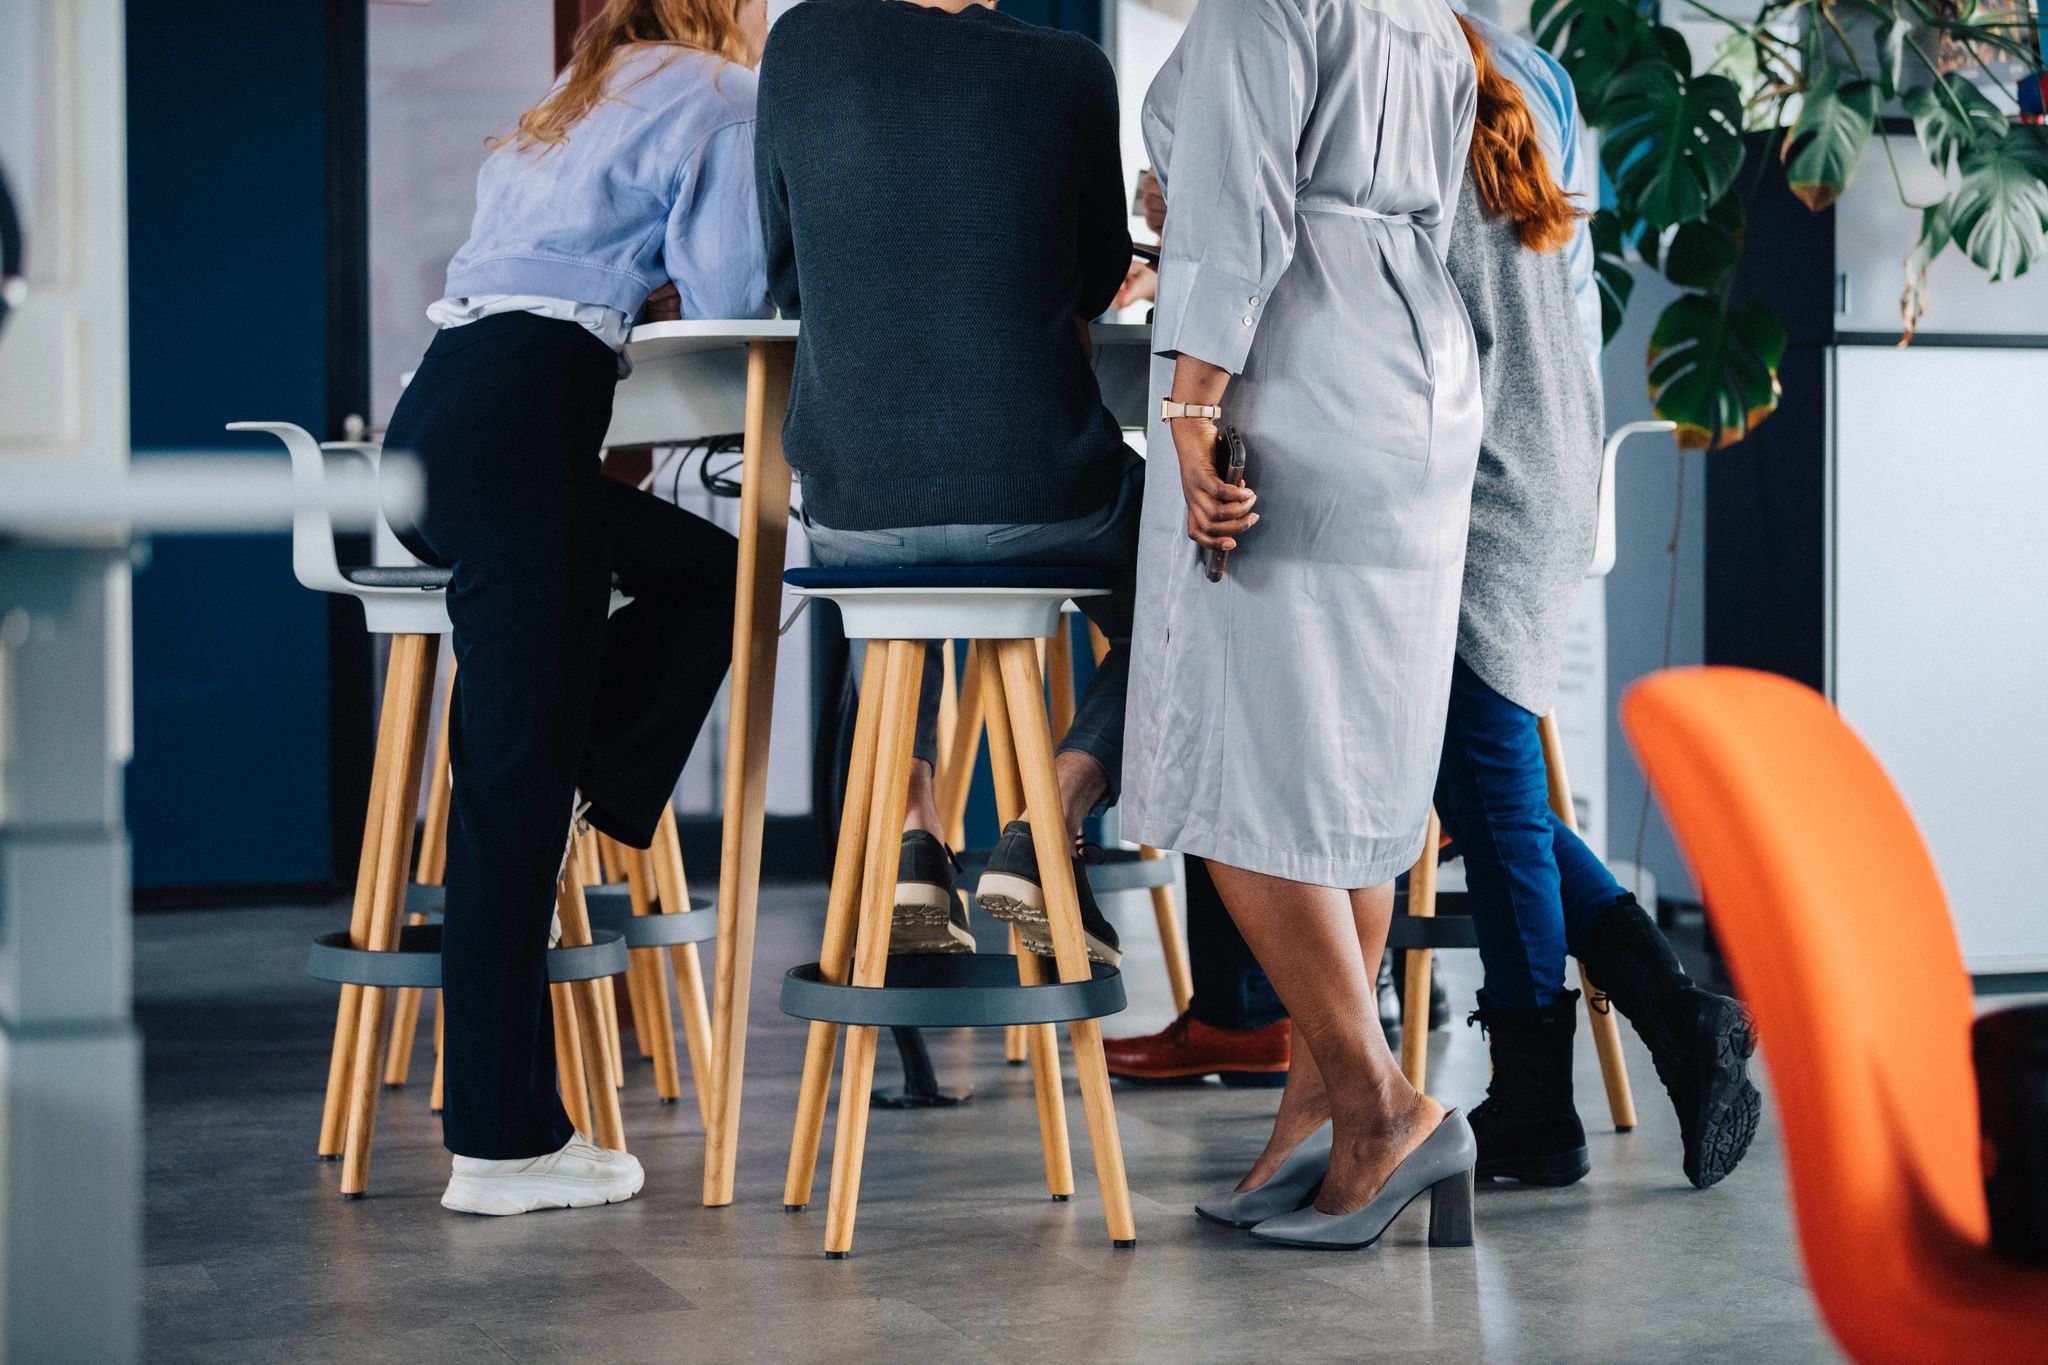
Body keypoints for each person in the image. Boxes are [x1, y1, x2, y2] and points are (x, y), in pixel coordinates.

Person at [383, 0, 772, 1216]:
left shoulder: (566, 99)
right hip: (522, 429)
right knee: (505, 794)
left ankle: (590, 784)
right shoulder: (720, 95)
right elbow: (730, 290)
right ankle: (502, 1149)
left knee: (711, 578)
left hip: (442, 419)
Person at [1123, 0, 1483, 1249]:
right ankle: (1313, 1122)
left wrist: (1187, 407)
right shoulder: (1428, 17)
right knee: (1352, 760)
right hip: (1416, 375)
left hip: (1296, 366)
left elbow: (1234, 213)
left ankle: (1381, 1109)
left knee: (1238, 760)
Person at [1439, 12, 1760, 1191]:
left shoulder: (1390, 83)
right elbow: (1566, 312)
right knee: (1480, 788)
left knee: (1486, 795)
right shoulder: (1534, 75)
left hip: (1476, 491)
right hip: (1550, 468)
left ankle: (1541, 1098)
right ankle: (1673, 1023)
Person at [754, 0, 1137, 965]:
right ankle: (1048, 823)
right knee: (1211, 579)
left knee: (895, 614)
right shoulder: (1071, 70)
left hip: (852, 511)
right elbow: (1094, 281)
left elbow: (788, 271)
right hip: (1042, 497)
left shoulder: (797, 42)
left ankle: (912, 836)